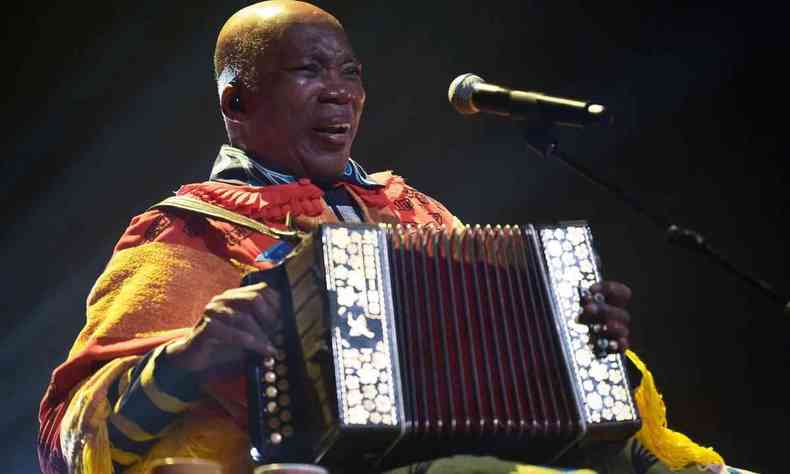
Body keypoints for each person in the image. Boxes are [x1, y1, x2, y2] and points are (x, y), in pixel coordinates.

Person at [37, 2, 731, 474]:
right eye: (309, 70)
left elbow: (509, 372)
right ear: (237, 102)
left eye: (350, 72)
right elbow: (70, 436)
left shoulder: (416, 214)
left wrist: (583, 343)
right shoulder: (192, 232)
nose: (341, 92)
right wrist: (190, 357)